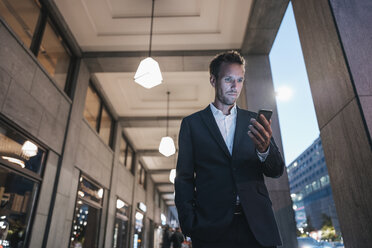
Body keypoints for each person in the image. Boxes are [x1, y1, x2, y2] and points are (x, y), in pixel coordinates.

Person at [174, 51, 285, 248]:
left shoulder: (255, 121)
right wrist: (189, 224)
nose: (235, 86)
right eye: (228, 79)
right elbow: (184, 178)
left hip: (257, 227)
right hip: (211, 229)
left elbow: (276, 171)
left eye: (239, 80)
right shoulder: (192, 124)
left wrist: (265, 150)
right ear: (213, 80)